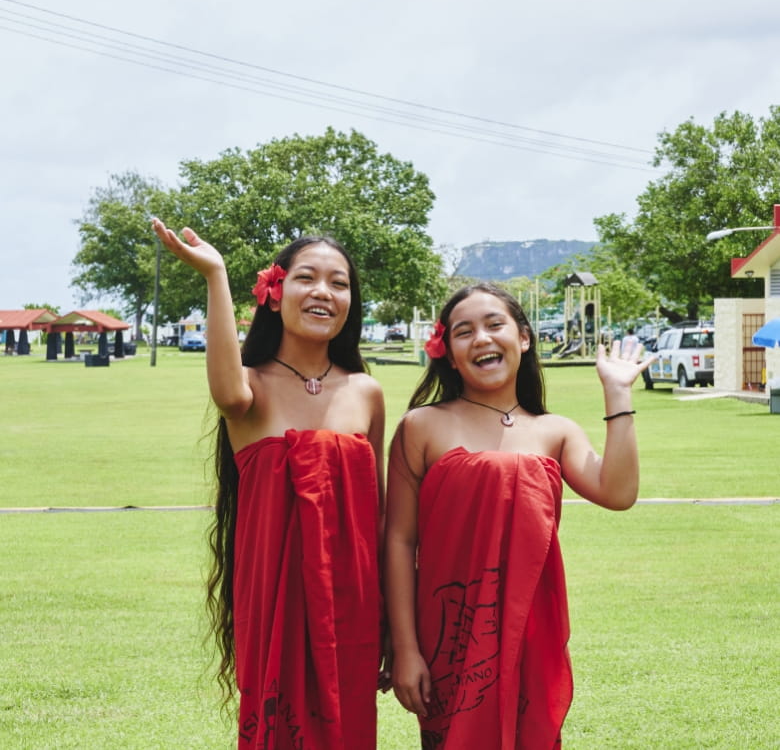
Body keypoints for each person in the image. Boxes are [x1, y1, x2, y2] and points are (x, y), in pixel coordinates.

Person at [384, 282, 651, 749]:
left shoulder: (554, 431)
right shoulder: (422, 426)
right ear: (448, 351)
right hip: (451, 630)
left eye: (494, 325)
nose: (482, 339)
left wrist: (618, 392)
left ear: (523, 337)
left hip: (531, 629)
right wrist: (404, 648)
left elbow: (619, 491)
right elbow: (399, 541)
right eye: (464, 331)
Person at [152, 219, 386, 749]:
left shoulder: (366, 393)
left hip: (352, 603)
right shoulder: (248, 387)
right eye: (307, 277)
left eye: (340, 282)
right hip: (273, 598)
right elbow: (227, 391)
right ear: (275, 293)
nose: (324, 291)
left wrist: (394, 621)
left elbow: (381, 518)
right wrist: (215, 275)